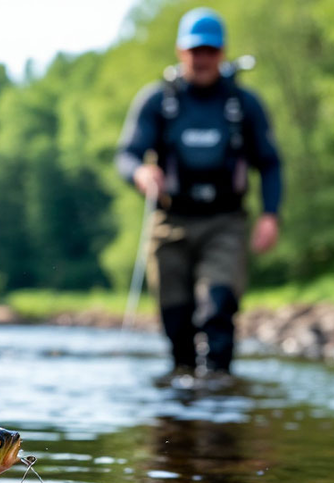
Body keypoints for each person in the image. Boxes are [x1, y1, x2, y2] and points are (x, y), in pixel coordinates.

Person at [117, 7, 282, 382]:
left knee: (217, 309)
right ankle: (184, 395)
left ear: (222, 52)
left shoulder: (244, 105)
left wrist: (270, 214)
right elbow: (127, 154)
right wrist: (140, 172)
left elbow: (270, 163)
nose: (202, 58)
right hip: (170, 223)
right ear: (181, 51)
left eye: (210, 50)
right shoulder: (157, 101)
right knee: (176, 321)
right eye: (195, 50)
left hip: (225, 222)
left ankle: (220, 396)